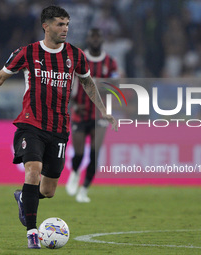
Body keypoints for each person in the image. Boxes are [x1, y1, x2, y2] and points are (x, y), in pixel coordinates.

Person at [0, 6, 117, 249]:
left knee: (48, 190)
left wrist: (103, 109)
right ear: (46, 26)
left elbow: (87, 82)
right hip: (31, 123)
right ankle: (32, 233)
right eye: (60, 24)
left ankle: (23, 197)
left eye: (67, 24)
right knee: (33, 170)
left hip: (59, 127)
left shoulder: (76, 55)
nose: (65, 29)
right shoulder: (27, 53)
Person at [66, 28, 119, 203]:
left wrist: (99, 85)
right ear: (88, 40)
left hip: (100, 115)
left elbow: (115, 86)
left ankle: (84, 190)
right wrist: (73, 104)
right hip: (80, 112)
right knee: (79, 154)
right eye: (92, 37)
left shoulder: (110, 62)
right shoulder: (79, 59)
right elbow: (68, 84)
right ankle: (74, 173)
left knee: (95, 154)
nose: (95, 40)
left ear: (102, 40)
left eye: (98, 37)